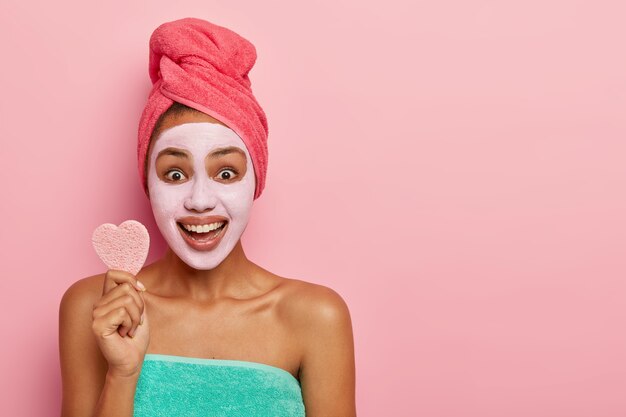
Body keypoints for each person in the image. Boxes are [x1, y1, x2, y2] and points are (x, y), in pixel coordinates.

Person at [58, 18, 356, 417]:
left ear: (256, 180)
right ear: (148, 182)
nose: (200, 200)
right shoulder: (94, 307)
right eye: (175, 174)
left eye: (226, 173)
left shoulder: (316, 317)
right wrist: (123, 375)